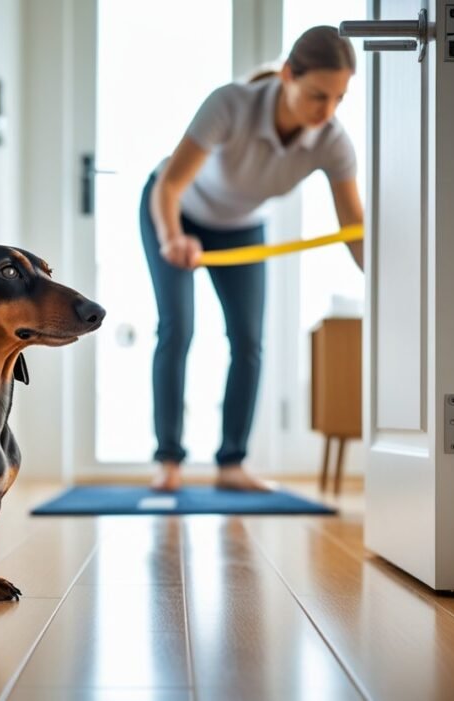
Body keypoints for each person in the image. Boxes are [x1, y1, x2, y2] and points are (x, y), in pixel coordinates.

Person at [141, 25, 364, 492]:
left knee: (248, 340)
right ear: (288, 75)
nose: (327, 111)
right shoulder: (231, 104)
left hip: (240, 227)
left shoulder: (333, 141)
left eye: (339, 98)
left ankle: (231, 463)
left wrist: (384, 282)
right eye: (317, 95)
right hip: (175, 213)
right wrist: (173, 238)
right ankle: (169, 461)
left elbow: (354, 229)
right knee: (177, 326)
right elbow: (170, 186)